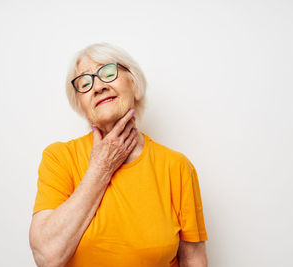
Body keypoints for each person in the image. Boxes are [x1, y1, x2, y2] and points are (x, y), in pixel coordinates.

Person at [29, 42, 208, 267]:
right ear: (80, 104)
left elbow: (194, 259)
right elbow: (46, 257)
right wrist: (101, 167)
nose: (98, 87)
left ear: (134, 84)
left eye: (108, 72)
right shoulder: (59, 158)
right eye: (85, 82)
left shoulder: (177, 167)